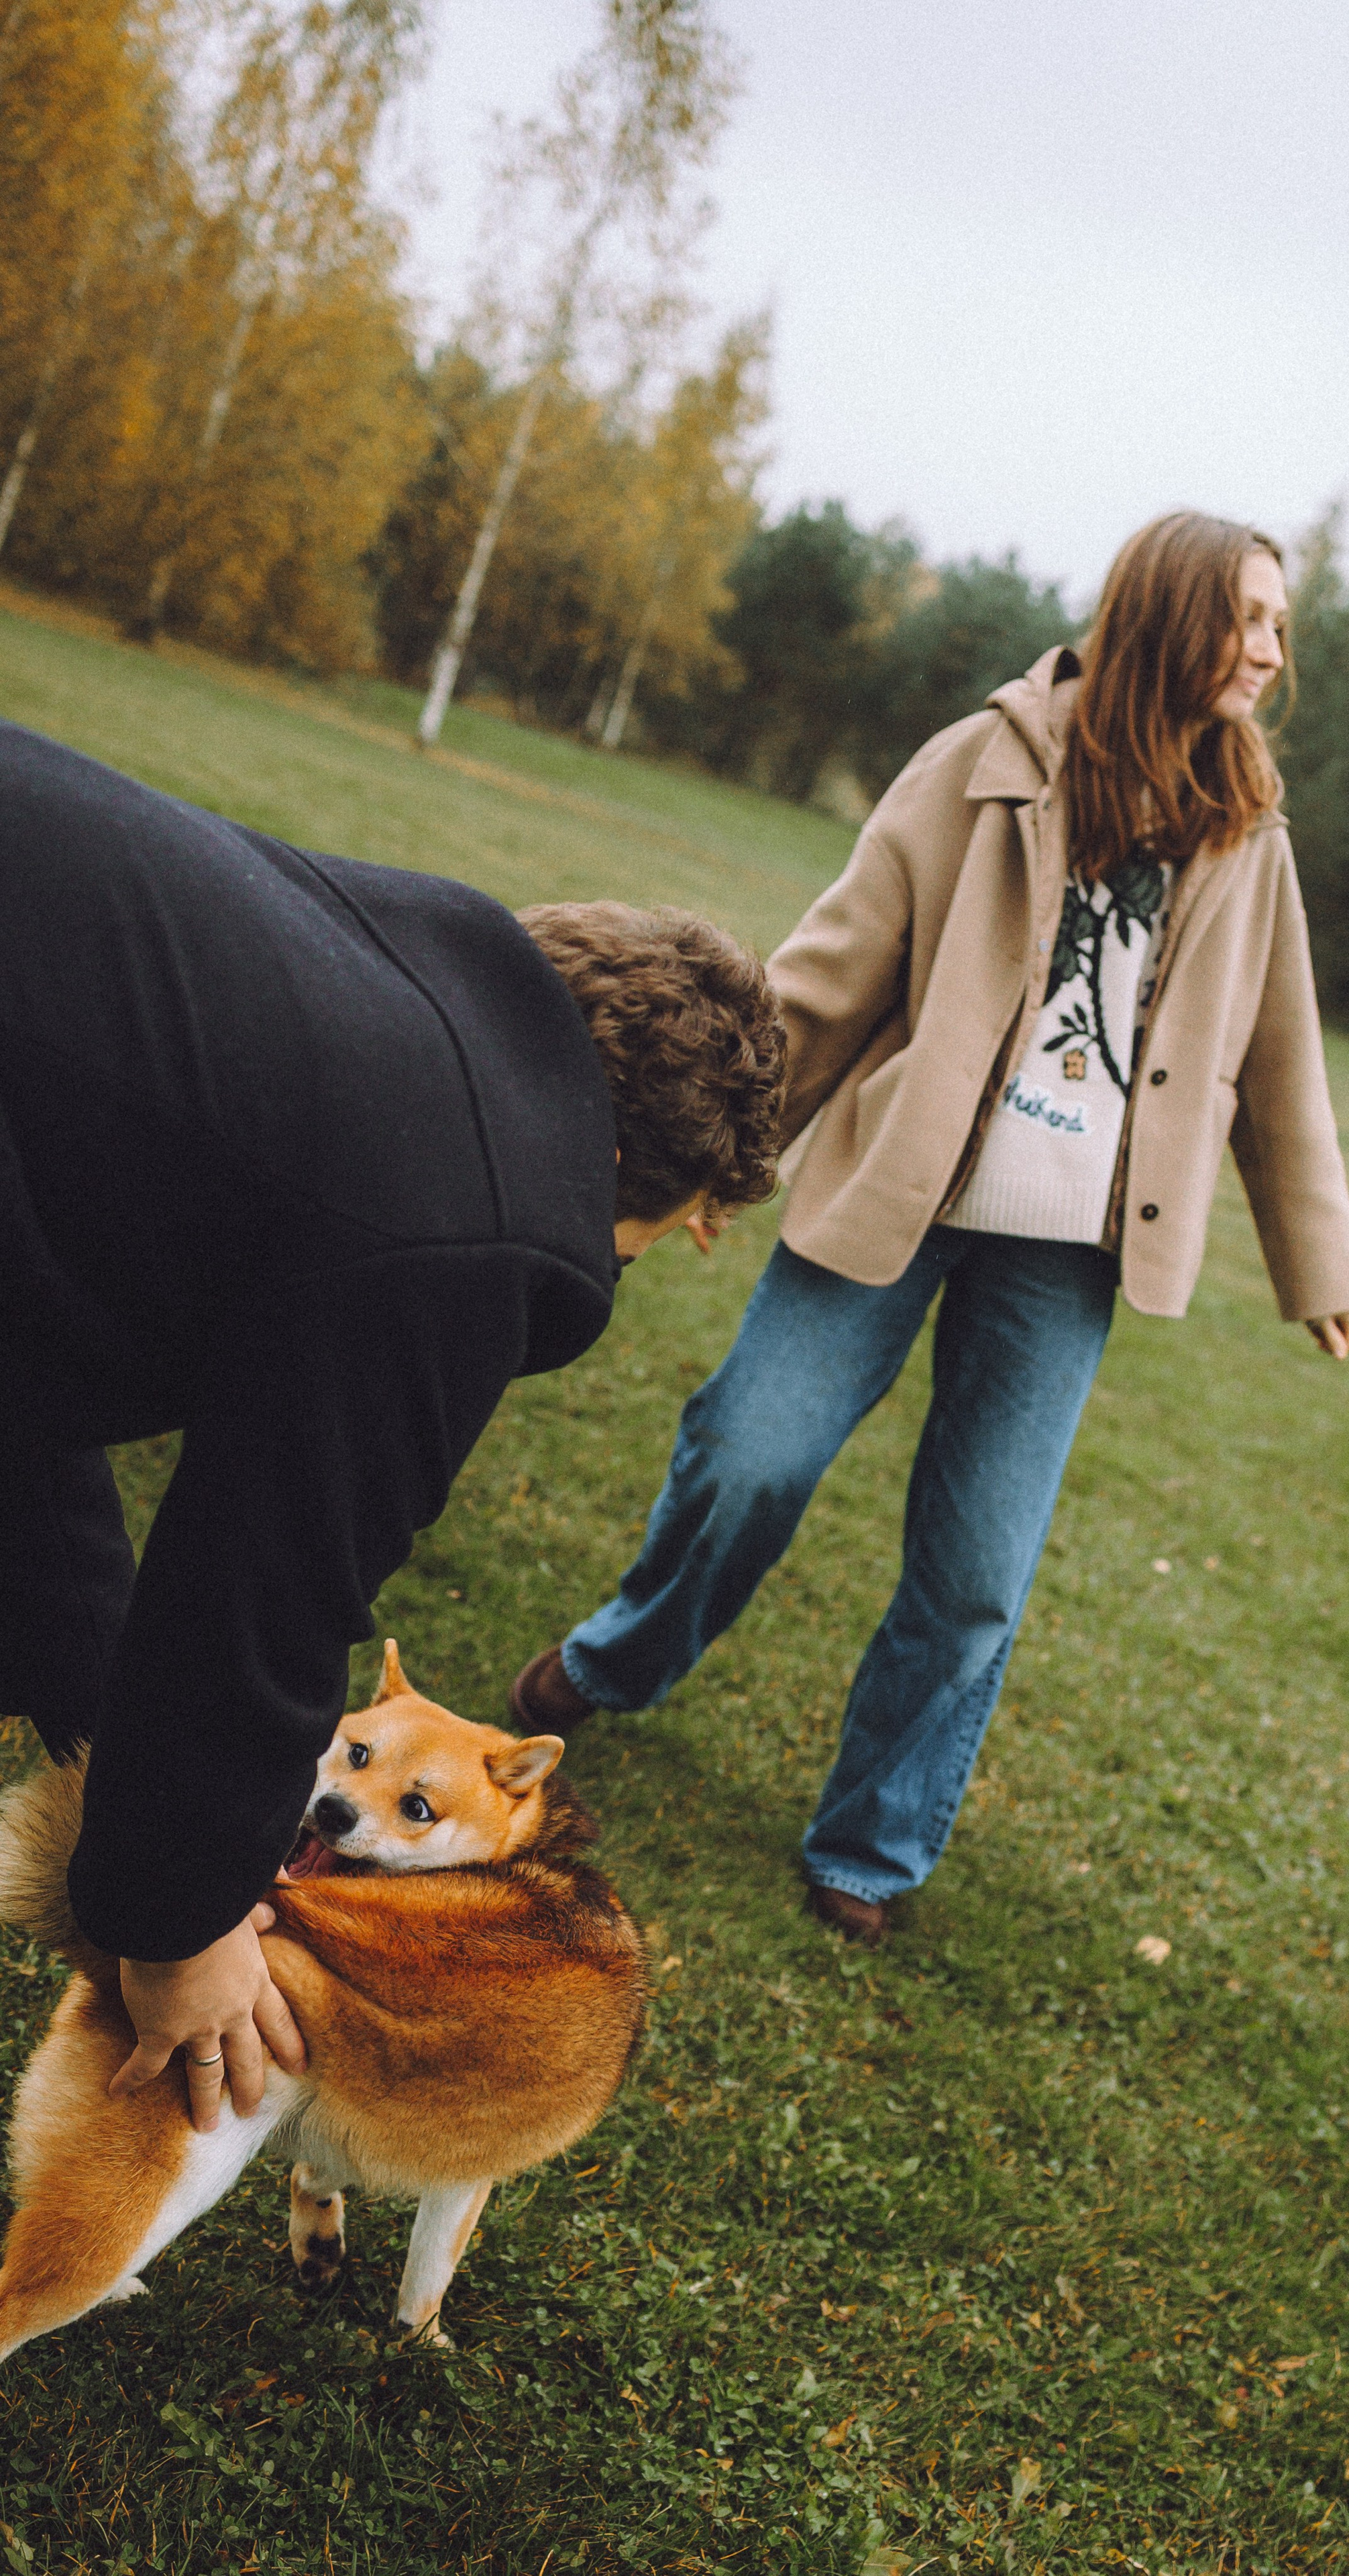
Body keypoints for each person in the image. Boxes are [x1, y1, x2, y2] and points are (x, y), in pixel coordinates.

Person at [511, 512, 1349, 1946]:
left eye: (1280, 625)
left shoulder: (1245, 835)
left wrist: (1315, 1263)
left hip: (1065, 1253)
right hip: (893, 1197)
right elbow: (830, 975)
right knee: (749, 1457)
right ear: (1170, 617)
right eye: (1253, 620)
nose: (1275, 653)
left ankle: (873, 1841)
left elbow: (1278, 1059)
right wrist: (713, 1152)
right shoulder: (981, 764)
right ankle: (613, 1664)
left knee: (974, 1572)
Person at [0, 720, 784, 2127]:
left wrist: (98, 1724)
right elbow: (266, 1586)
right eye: (662, 1238)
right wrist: (179, 1931)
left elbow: (29, 1362)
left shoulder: (371, 992)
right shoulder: (463, 1219)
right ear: (629, 1177)